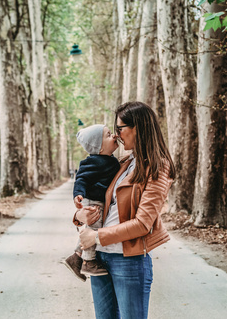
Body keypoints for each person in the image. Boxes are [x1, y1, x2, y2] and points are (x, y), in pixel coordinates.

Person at [74, 101, 176, 319]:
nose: (117, 135)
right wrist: (79, 215)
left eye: (120, 128)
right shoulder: (123, 162)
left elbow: (142, 224)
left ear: (137, 127)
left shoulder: (158, 166)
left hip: (128, 261)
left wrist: (96, 236)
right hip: (101, 258)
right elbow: (100, 200)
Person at [63, 124, 120, 282]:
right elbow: (81, 178)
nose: (114, 136)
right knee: (94, 227)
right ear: (99, 148)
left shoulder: (110, 160)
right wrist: (78, 194)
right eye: (109, 135)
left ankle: (76, 257)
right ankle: (89, 261)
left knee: (91, 227)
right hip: (94, 201)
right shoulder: (93, 161)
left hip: (100, 200)